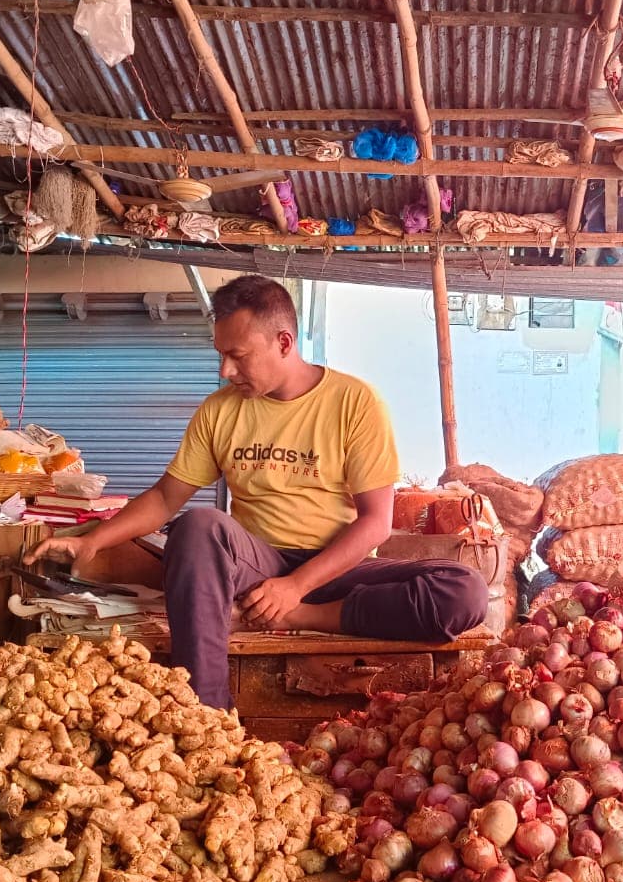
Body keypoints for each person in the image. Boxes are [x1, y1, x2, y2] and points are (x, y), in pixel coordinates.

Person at [26, 275, 489, 709]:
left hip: (332, 571)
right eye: (220, 355)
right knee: (198, 524)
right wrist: (91, 541)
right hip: (255, 568)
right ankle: (207, 716)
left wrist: (294, 592)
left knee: (464, 591)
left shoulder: (354, 403)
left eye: (239, 355)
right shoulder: (219, 411)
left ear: (283, 343)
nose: (226, 370)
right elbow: (166, 499)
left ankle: (297, 618)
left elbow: (375, 523)